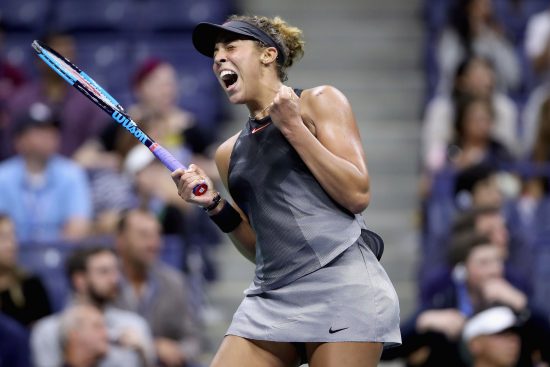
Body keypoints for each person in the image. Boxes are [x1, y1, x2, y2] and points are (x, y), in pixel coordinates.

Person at [172, 15, 401, 367]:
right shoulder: (227, 153)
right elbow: (263, 248)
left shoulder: (319, 101)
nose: (218, 59)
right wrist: (215, 205)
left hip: (341, 284)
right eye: (215, 53)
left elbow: (356, 194)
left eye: (230, 47)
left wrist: (293, 127)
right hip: (272, 297)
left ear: (268, 55)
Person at [31, 246, 155, 367]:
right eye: (104, 272)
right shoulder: (48, 331)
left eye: (116, 271)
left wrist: (143, 353)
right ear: (80, 280)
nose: (114, 279)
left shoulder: (134, 325)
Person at [114, 208, 202, 367]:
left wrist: (179, 351)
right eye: (143, 235)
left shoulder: (175, 282)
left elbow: (193, 338)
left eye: (157, 235)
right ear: (121, 240)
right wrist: (151, 347)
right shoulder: (104, 279)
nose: (153, 243)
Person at [0, 102, 92, 242]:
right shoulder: (3, 176)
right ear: (19, 140)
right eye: (39, 130)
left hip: (60, 257)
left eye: (52, 130)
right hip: (11, 256)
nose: (48, 136)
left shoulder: (72, 174)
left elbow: (78, 228)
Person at [0, 213, 52, 327]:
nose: (12, 244)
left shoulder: (31, 285)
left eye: (13, 235)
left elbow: (42, 333)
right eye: (3, 238)